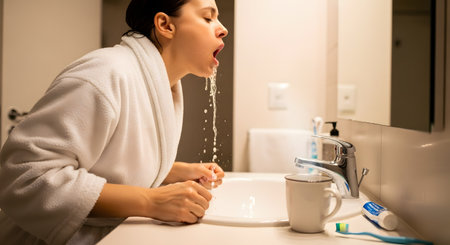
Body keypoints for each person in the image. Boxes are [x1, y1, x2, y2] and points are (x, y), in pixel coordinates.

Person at [0, 0, 228, 244]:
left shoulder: (161, 84)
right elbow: (23, 176)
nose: (223, 28)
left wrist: (170, 171)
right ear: (165, 24)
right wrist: (152, 201)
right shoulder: (104, 72)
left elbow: (103, 160)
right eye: (207, 18)